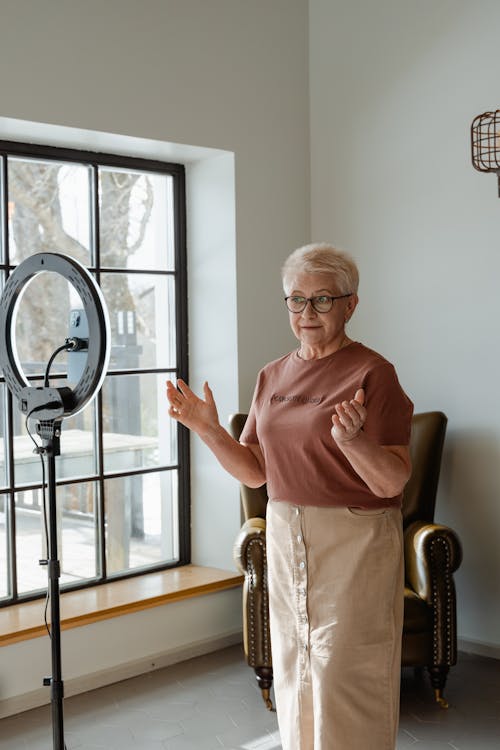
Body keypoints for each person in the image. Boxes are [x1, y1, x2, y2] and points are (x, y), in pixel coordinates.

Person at [166, 243, 413, 750]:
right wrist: (207, 429)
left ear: (350, 304)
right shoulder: (272, 375)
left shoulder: (373, 372)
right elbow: (256, 472)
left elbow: (391, 482)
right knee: (296, 668)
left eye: (322, 300)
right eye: (296, 300)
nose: (307, 313)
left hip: (356, 539)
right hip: (285, 532)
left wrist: (353, 441)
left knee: (347, 675)